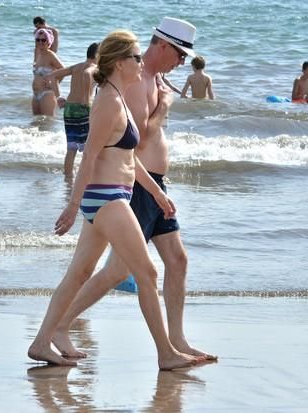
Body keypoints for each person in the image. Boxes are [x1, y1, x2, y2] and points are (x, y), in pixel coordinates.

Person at [28, 30, 197, 370]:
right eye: (136, 57)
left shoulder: (116, 97)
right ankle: (166, 354)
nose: (141, 62)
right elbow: (89, 156)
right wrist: (74, 205)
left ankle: (42, 341)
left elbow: (128, 159)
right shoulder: (107, 100)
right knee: (147, 272)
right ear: (120, 63)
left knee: (79, 273)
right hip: (106, 199)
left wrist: (157, 192)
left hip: (111, 195)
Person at [45, 42, 99, 179]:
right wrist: (87, 100)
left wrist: (58, 97)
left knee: (71, 148)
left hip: (69, 108)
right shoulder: (93, 67)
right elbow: (87, 74)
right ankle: (88, 178)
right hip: (83, 109)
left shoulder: (76, 66)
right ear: (98, 55)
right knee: (89, 148)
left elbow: (52, 76)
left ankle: (68, 178)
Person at [32, 28, 64, 116]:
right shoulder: (37, 53)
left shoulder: (51, 55)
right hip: (35, 94)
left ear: (48, 41)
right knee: (35, 123)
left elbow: (63, 70)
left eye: (43, 40)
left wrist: (53, 84)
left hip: (47, 94)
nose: (40, 42)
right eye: (38, 40)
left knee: (46, 123)